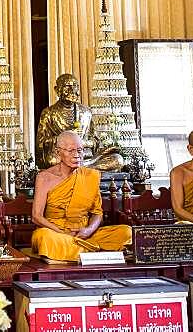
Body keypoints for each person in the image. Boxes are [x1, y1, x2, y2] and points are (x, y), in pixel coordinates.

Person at [31, 131, 132, 262]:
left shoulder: (90, 176)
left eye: (80, 150)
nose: (77, 155)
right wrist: (62, 232)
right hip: (56, 232)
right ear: (58, 152)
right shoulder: (44, 177)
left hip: (84, 234)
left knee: (126, 232)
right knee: (44, 238)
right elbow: (36, 216)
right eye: (71, 151)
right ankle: (97, 253)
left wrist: (89, 230)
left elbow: (97, 213)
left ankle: (80, 252)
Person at [35, 74, 93, 168]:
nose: (72, 90)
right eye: (67, 87)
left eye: (75, 86)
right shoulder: (48, 113)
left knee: (117, 159)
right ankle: (82, 166)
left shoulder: (86, 112)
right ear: (57, 90)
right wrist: (66, 138)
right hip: (61, 156)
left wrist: (83, 142)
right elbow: (41, 143)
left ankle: (80, 165)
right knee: (53, 161)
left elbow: (95, 141)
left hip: (84, 155)